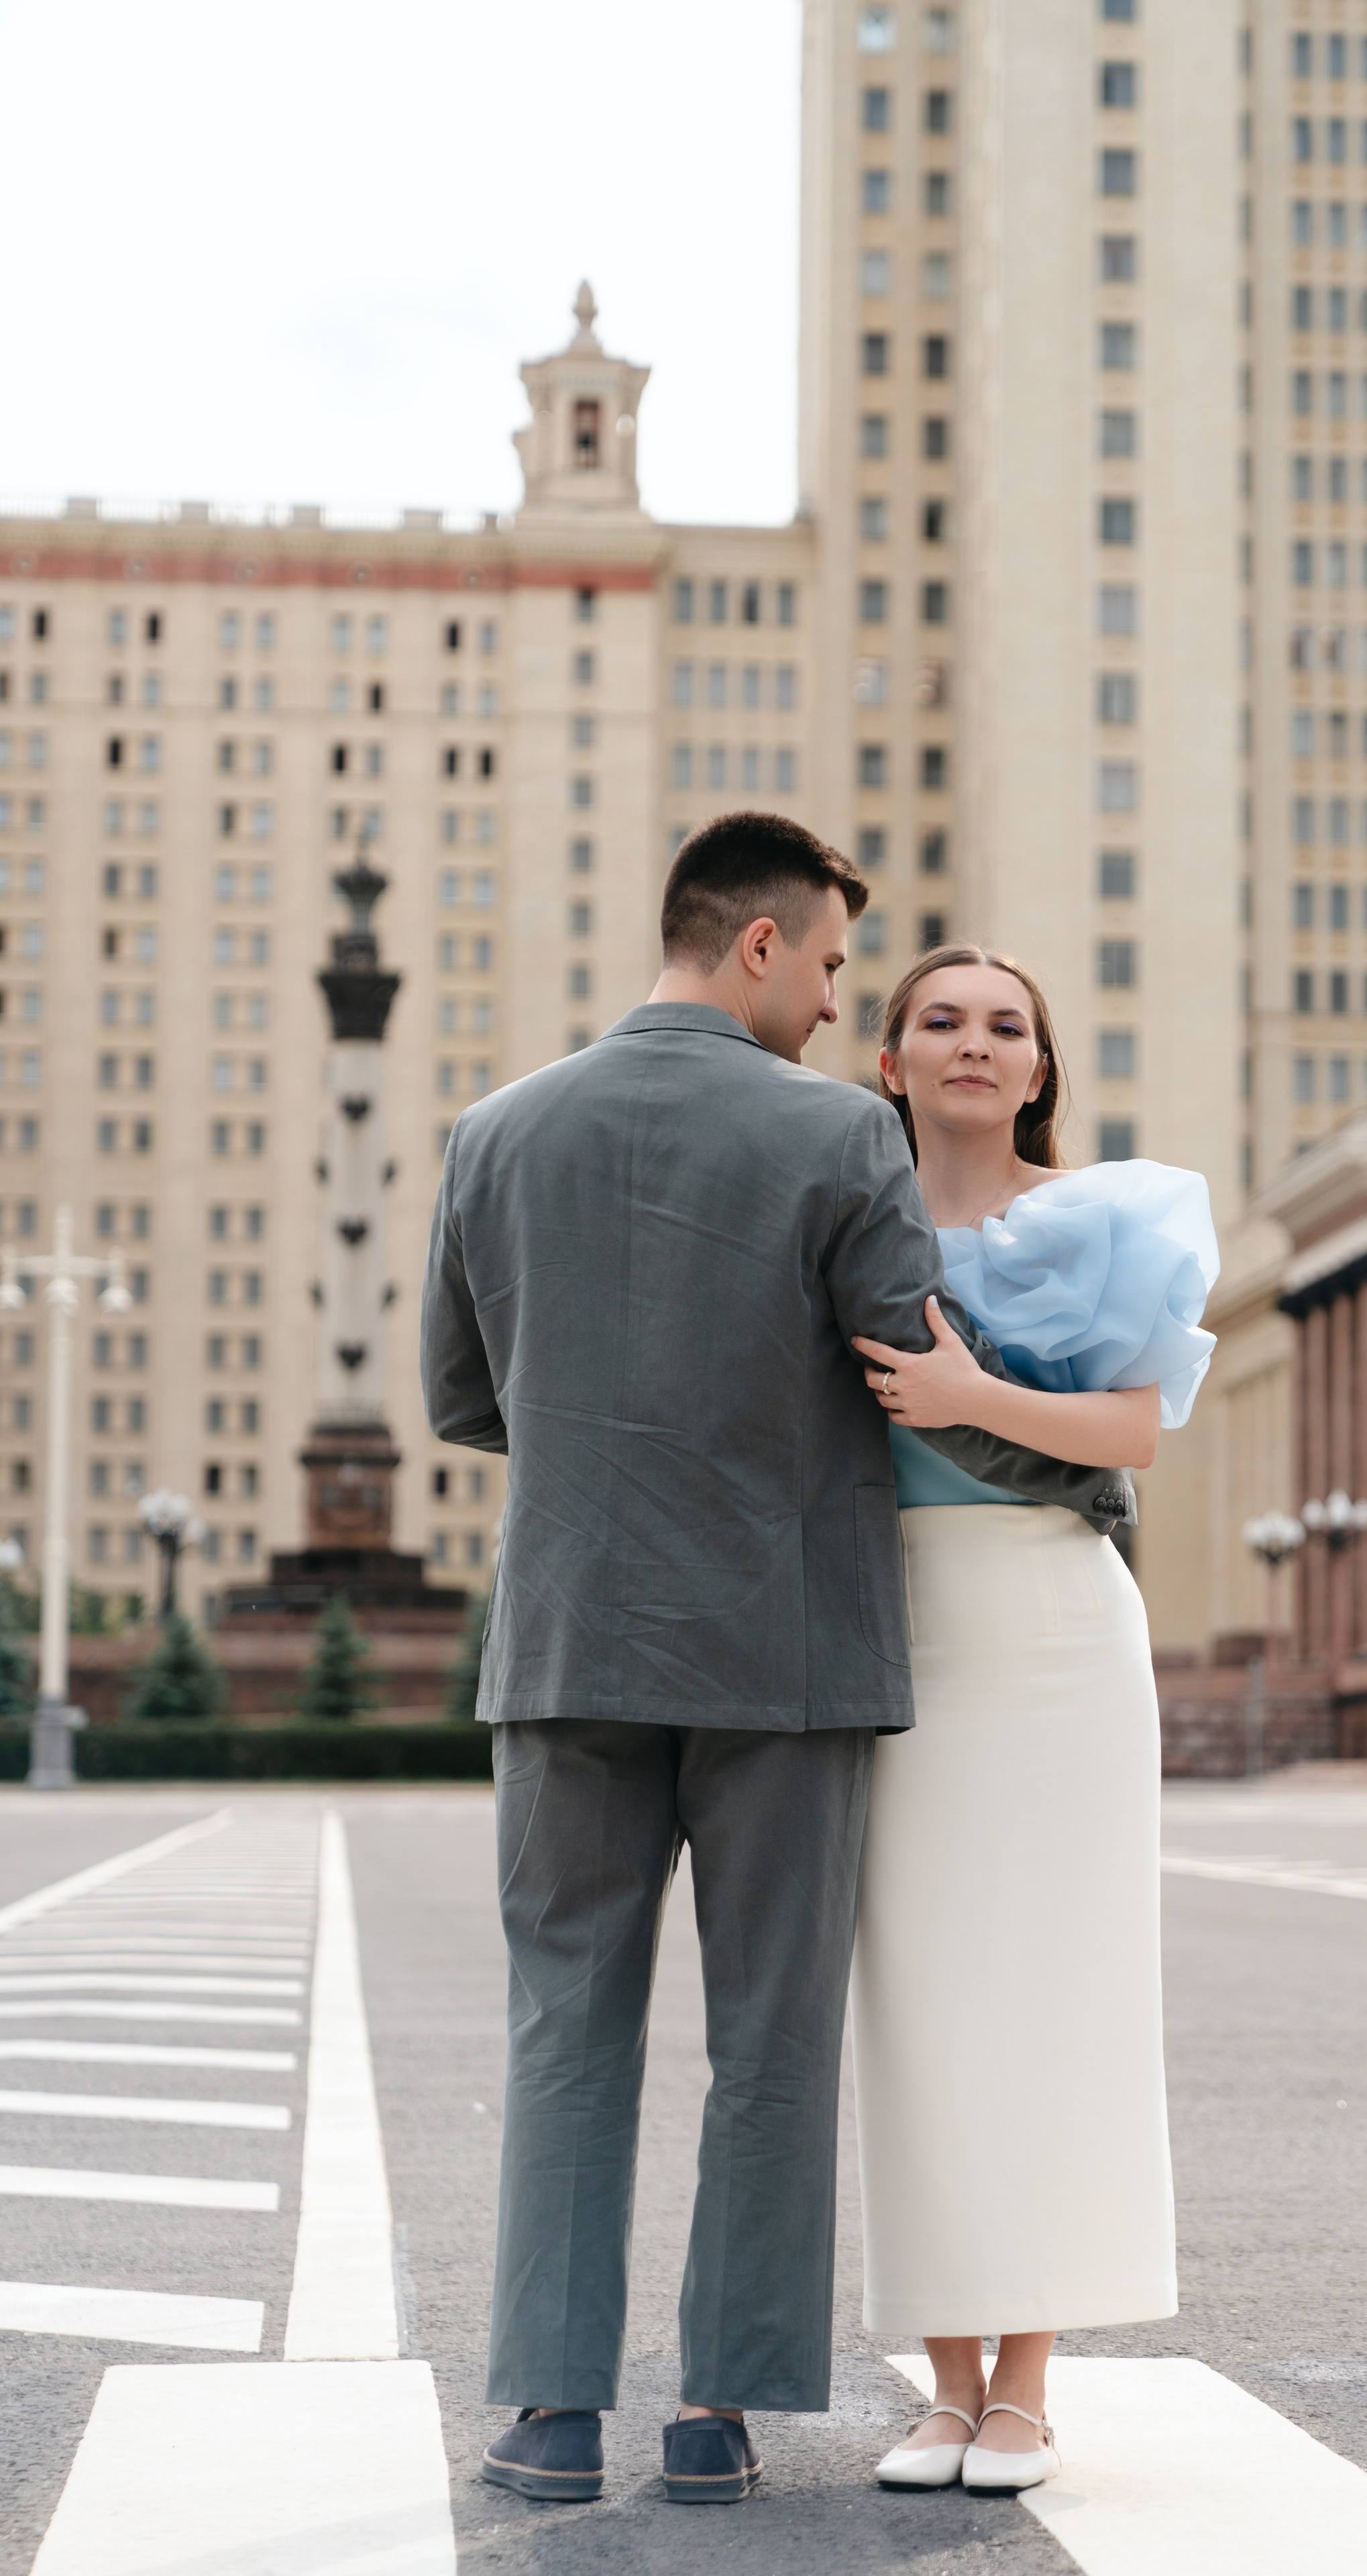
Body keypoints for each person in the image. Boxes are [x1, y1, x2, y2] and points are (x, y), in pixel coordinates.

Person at [419, 819, 1126, 2510]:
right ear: (757, 946)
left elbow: (458, 1402)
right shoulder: (832, 1136)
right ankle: (715, 2414)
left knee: (563, 2033)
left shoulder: (493, 1131)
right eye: (823, 969)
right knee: (770, 2043)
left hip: (570, 1642)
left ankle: (548, 2413)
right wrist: (1086, 1470)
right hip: (786, 1658)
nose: (828, 1008)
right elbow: (911, 1369)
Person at [849, 945, 1217, 2498]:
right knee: (920, 2008)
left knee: (1059, 1995)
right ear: (890, 1058)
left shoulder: (1096, 1222)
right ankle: (940, 2382)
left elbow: (1136, 1426)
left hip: (1059, 1628)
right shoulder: (837, 1223)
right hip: (890, 1630)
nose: (974, 1045)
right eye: (941, 1021)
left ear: (1040, 1067)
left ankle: (1025, 2391)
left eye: (1006, 1026)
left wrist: (965, 1400)